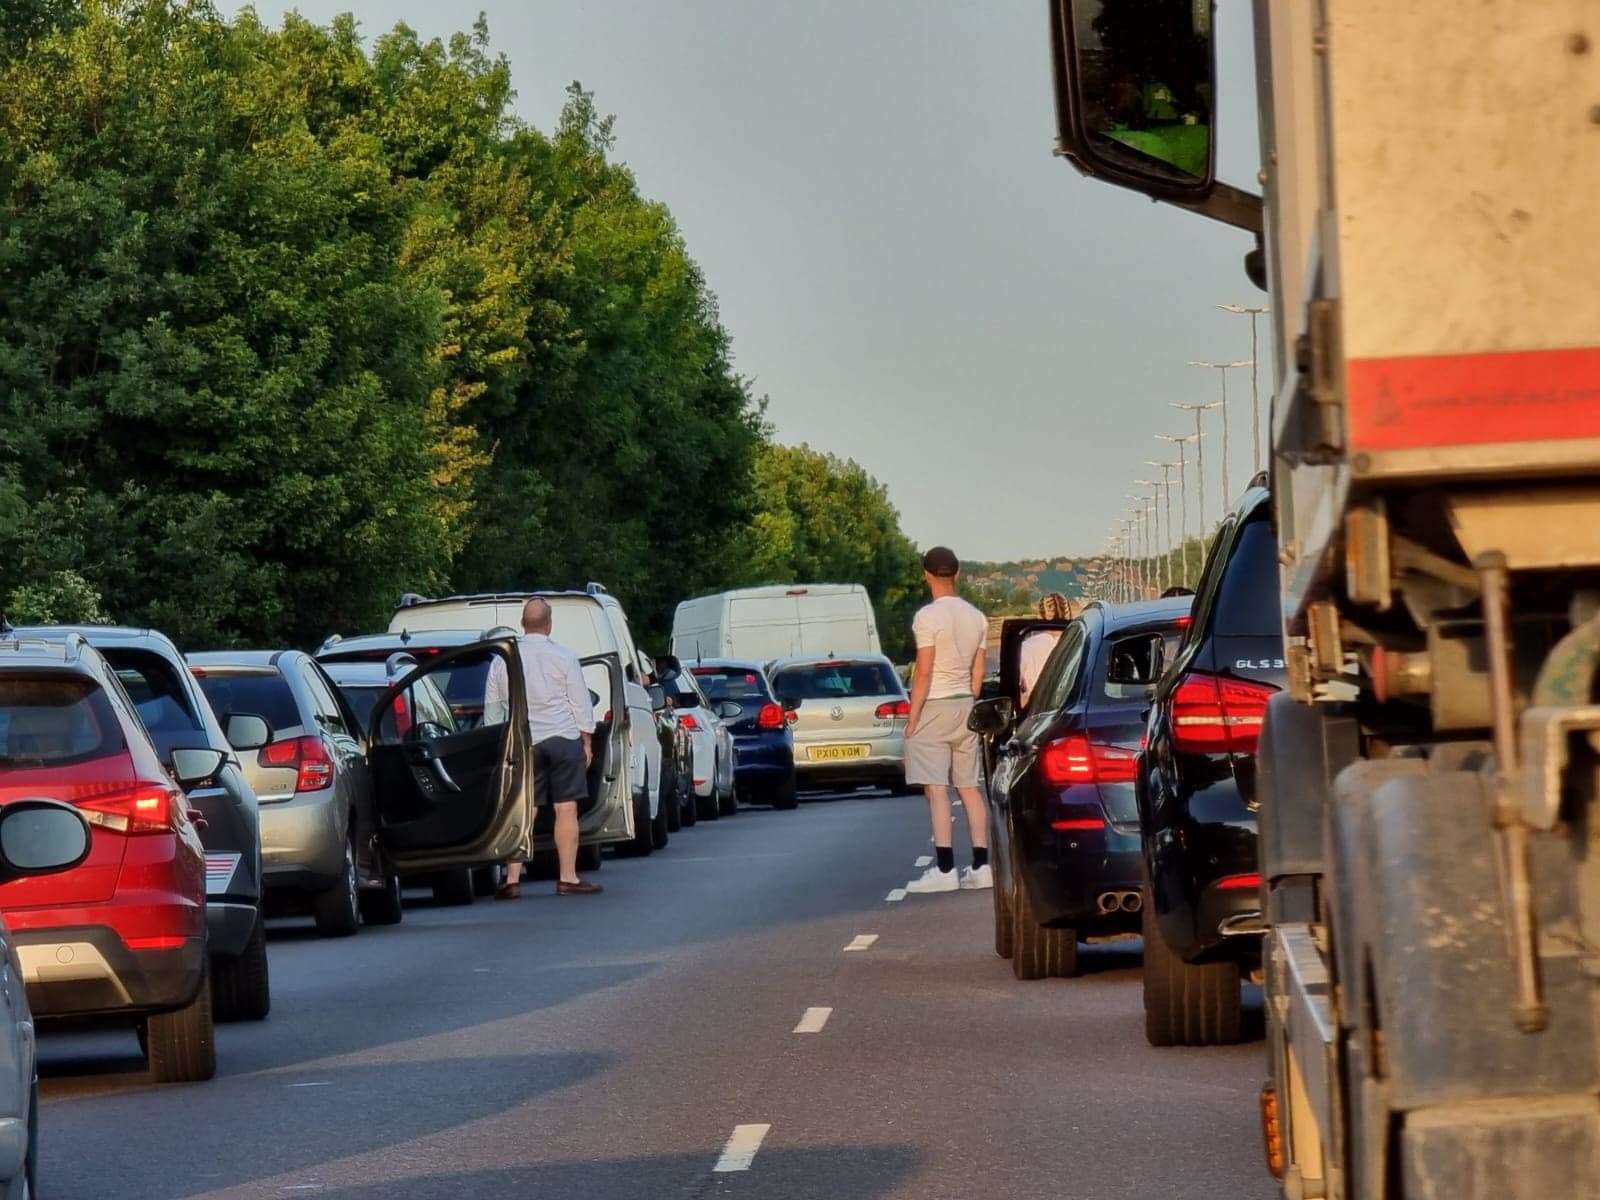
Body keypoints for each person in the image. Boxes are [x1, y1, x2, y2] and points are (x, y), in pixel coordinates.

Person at [484, 598, 601, 899]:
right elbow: (580, 702)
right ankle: (567, 877)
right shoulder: (564, 657)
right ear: (549, 625)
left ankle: (512, 880)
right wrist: (586, 740)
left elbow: (494, 708)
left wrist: (498, 744)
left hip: (524, 742)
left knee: (524, 809)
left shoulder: (503, 660)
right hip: (563, 738)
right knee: (566, 807)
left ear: (522, 624)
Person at [903, 546, 992, 894]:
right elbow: (978, 671)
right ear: (957, 574)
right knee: (969, 787)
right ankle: (981, 865)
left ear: (926, 574)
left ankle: (944, 868)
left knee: (936, 788)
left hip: (935, 704)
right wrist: (969, 699)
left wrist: (913, 719)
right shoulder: (977, 617)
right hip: (965, 705)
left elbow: (924, 670)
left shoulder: (927, 617)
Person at [1018, 592, 1071, 708]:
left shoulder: (1027, 646)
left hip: (1037, 712)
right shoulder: (1079, 642)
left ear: (1040, 617)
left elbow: (1017, 687)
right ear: (1069, 615)